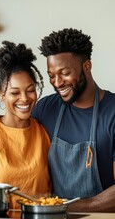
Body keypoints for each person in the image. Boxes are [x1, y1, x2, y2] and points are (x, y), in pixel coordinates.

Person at [32, 28, 115, 212]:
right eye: (51, 75)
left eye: (64, 73)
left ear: (87, 66)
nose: (57, 82)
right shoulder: (45, 109)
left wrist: (69, 207)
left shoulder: (113, 112)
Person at [0, 41, 51, 209]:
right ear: (0, 93)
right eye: (14, 92)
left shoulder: (43, 133)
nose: (25, 98)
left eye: (30, 90)